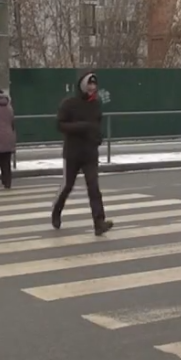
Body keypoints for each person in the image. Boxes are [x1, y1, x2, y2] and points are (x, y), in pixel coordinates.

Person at [51, 71, 113, 236]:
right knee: (67, 186)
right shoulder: (69, 103)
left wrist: (98, 137)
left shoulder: (96, 104)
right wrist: (82, 127)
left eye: (94, 84)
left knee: (94, 187)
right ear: (83, 86)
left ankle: (99, 222)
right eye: (89, 84)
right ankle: (56, 211)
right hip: (73, 152)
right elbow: (60, 125)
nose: (92, 87)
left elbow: (96, 125)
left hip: (90, 153)